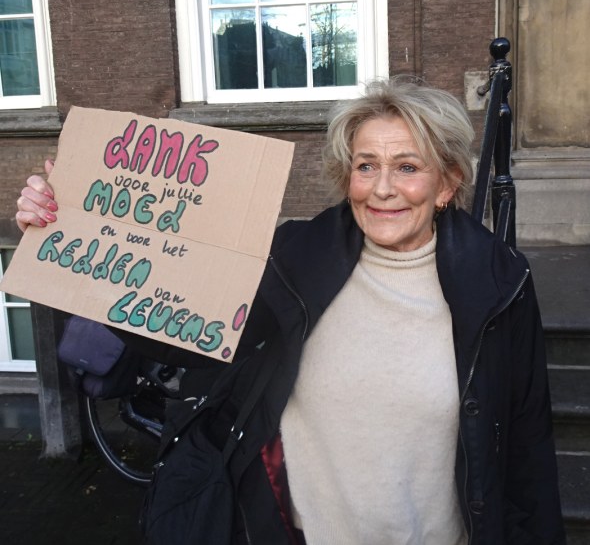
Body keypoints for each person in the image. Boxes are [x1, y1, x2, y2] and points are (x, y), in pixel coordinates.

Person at [16, 77, 565, 545]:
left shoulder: (500, 284)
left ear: (447, 183)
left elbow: (526, 446)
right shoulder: (296, 257)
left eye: (407, 167)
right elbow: (183, 332)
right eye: (366, 165)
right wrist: (73, 227)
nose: (382, 189)